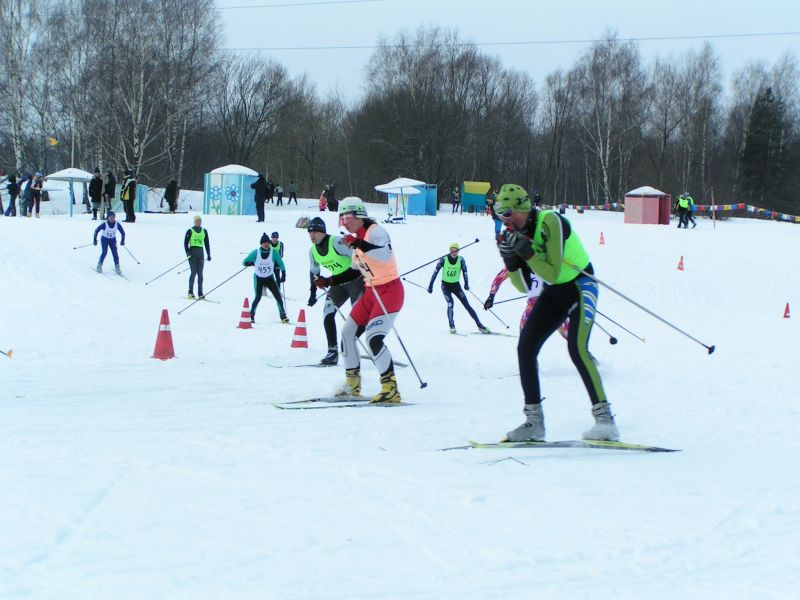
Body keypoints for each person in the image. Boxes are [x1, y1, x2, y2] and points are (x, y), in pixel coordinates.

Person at [493, 183, 618, 442]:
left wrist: (526, 252)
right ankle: (534, 423)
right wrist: (511, 260)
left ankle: (605, 421)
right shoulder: (519, 233)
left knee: (577, 348)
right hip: (557, 291)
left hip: (581, 284)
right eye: (499, 214)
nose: (503, 220)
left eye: (506, 214)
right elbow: (524, 287)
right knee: (525, 347)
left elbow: (552, 271)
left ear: (521, 209)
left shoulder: (550, 221)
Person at [332, 200, 403, 403]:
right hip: (371, 292)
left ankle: (390, 388)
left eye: (347, 218)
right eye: (341, 219)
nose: (344, 223)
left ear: (359, 215)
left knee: (373, 337)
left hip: (389, 291)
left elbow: (384, 253)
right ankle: (353, 385)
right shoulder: (356, 240)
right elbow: (353, 272)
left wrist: (360, 244)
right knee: (347, 333)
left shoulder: (376, 231)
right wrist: (329, 280)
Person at [306, 216, 364, 365]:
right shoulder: (313, 251)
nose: (312, 235)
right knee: (327, 312)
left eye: (315, 232)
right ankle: (332, 352)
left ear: (323, 232)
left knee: (358, 316)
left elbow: (356, 253)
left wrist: (354, 269)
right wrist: (312, 293)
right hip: (338, 284)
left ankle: (360, 344)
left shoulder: (336, 242)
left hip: (356, 281)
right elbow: (314, 273)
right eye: (310, 232)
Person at [427, 242, 490, 334]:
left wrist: (466, 283)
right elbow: (435, 272)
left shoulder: (461, 260)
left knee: (467, 305)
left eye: (456, 250)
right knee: (450, 304)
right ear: (449, 251)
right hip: (445, 286)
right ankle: (451, 326)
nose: (454, 252)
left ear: (458, 251)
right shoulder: (443, 260)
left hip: (456, 286)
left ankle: (480, 325)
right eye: (452, 250)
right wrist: (430, 285)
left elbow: (465, 272)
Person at [242, 233, 288, 324]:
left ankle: (283, 315)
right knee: (258, 297)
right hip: (258, 279)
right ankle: (251, 315)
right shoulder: (256, 252)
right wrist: (250, 263)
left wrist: (284, 274)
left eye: (268, 242)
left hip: (270, 279)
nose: (266, 244)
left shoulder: (273, 253)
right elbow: (244, 262)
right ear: (261, 243)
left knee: (278, 296)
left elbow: (281, 263)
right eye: (264, 242)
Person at [183, 215, 211, 299]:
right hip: (192, 253)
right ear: (194, 222)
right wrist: (187, 252)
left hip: (200, 253)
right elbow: (185, 243)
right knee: (193, 272)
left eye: (200, 221)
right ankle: (190, 291)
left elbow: (206, 244)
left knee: (200, 274)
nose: (198, 222)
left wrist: (209, 254)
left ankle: (200, 292)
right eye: (197, 221)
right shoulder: (190, 231)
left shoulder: (204, 231)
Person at [93, 210, 125, 274]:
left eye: (113, 217)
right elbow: (96, 231)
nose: (112, 219)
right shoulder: (105, 224)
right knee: (104, 252)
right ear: (108, 217)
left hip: (112, 240)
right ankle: (99, 265)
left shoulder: (117, 224)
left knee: (115, 254)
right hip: (104, 240)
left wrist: (122, 241)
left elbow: (123, 233)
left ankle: (117, 267)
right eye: (111, 217)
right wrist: (94, 240)